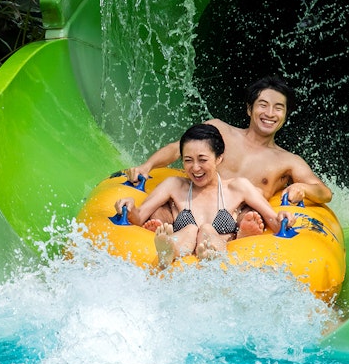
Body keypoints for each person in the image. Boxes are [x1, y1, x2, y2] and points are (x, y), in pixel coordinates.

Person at [124, 77, 333, 236]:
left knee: (251, 215)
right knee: (164, 208)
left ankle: (242, 232)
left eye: (278, 108)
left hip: (235, 213)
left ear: (285, 115)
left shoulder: (288, 161)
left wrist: (302, 188)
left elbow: (324, 192)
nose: (270, 113)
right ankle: (160, 230)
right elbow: (178, 148)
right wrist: (147, 166)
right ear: (249, 109)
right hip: (193, 203)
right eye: (263, 105)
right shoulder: (218, 129)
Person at [115, 124, 290, 268]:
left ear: (219, 158)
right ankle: (169, 251)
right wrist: (129, 206)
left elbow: (274, 221)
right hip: (183, 243)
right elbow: (139, 217)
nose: (195, 168)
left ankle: (212, 254)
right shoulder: (174, 185)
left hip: (220, 246)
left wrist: (284, 217)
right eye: (188, 160)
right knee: (190, 229)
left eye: (202, 160)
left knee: (207, 229)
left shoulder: (238, 187)